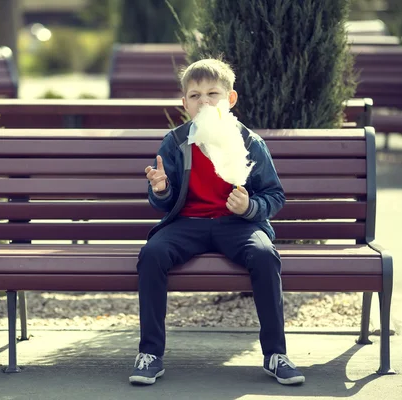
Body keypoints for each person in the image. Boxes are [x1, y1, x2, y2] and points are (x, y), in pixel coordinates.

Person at [129, 58, 305, 386]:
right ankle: (150, 353)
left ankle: (275, 354)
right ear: (185, 104)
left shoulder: (249, 142)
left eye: (213, 93)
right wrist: (162, 188)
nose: (205, 101)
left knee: (265, 256)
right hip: (187, 223)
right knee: (152, 254)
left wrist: (250, 206)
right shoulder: (175, 142)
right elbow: (162, 201)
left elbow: (275, 196)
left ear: (230, 99)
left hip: (238, 226)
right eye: (195, 96)